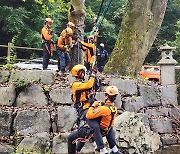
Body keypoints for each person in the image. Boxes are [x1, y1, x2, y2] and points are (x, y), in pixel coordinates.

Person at [68, 64, 96, 154]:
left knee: (85, 131)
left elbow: (91, 87)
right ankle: (93, 136)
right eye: (81, 72)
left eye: (84, 72)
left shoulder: (82, 84)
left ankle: (77, 149)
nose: (83, 74)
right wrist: (92, 75)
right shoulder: (76, 85)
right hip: (83, 110)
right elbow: (89, 85)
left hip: (88, 108)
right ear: (77, 74)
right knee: (88, 128)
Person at [86, 86, 122, 154]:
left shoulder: (103, 109)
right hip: (107, 129)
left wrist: (93, 106)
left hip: (100, 130)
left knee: (93, 124)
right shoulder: (114, 108)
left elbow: (88, 115)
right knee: (110, 128)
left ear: (106, 96)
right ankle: (115, 149)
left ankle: (103, 150)